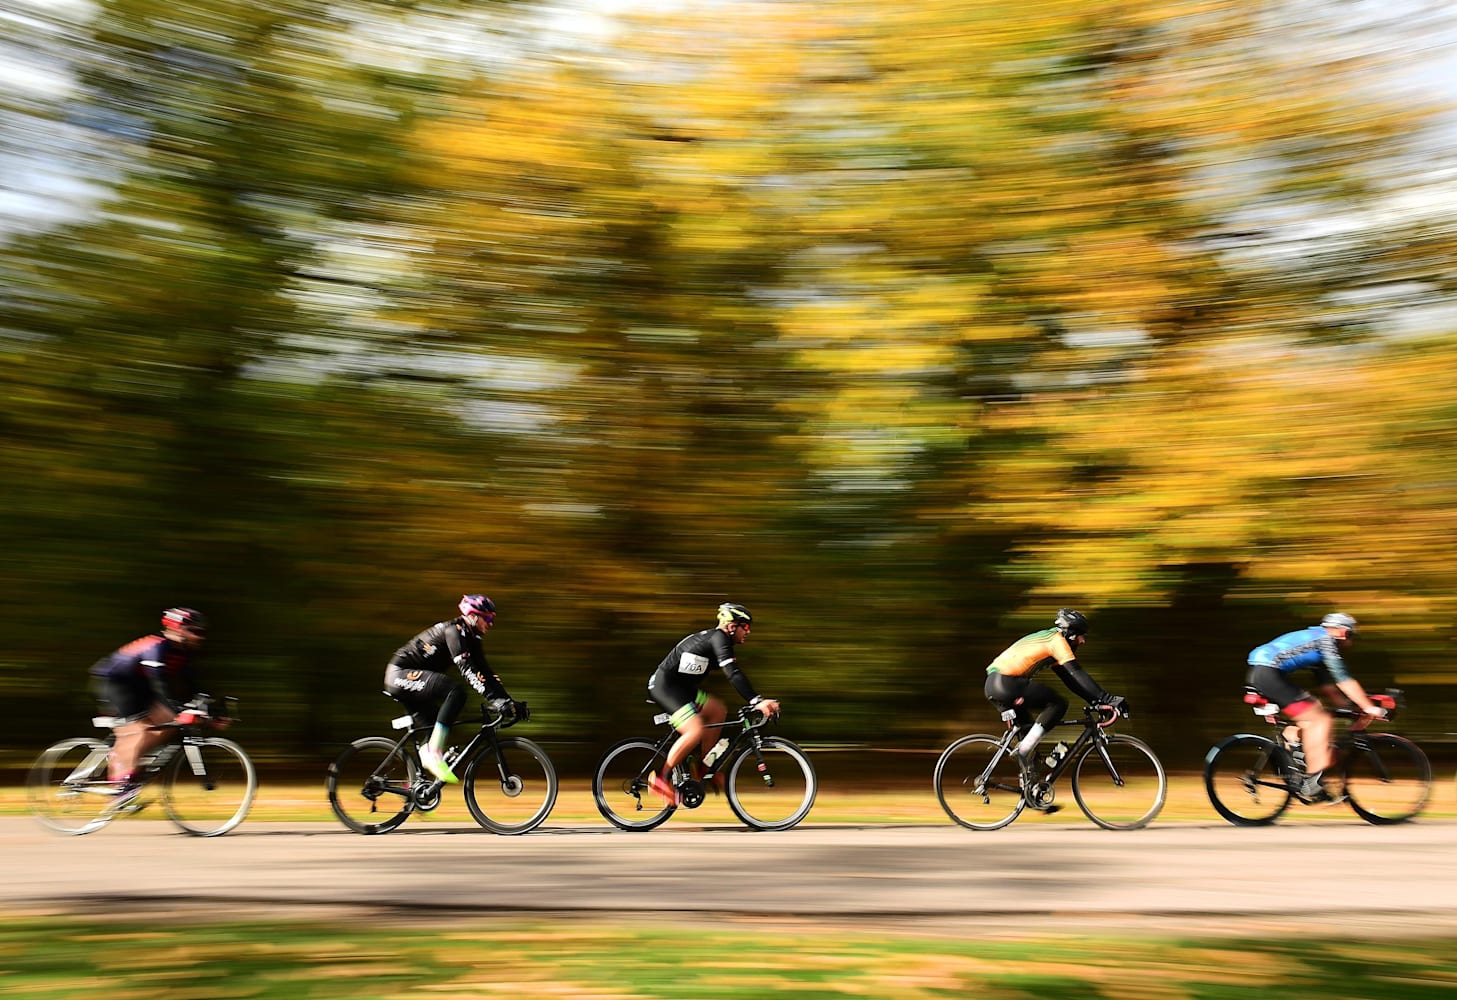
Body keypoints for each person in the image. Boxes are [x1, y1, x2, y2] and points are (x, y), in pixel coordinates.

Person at [984, 608, 1125, 806]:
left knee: (1030, 742)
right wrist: (1108, 698)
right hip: (1007, 683)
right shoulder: (1057, 640)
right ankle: (1023, 751)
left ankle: (1033, 797)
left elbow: (1071, 681)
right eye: (1081, 636)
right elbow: (1077, 674)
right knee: (1057, 704)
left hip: (996, 684)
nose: (1083, 641)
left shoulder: (1050, 640)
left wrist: (1097, 702)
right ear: (1072, 634)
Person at [645, 602, 780, 804]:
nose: (748, 632)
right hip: (666, 686)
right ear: (732, 626)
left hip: (683, 689)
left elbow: (733, 673)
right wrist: (756, 701)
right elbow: (732, 673)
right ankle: (662, 779)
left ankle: (703, 766)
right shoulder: (719, 638)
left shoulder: (719, 641)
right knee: (695, 730)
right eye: (746, 627)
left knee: (717, 709)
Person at [1246, 612, 1386, 803]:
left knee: (1315, 711)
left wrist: (1351, 708)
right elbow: (1343, 679)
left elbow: (1329, 689)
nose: (1351, 643)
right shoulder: (1327, 640)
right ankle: (1312, 783)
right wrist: (1369, 707)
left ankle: (1293, 743)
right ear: (1344, 633)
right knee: (1321, 719)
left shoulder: (1316, 641)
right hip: (1269, 673)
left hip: (1260, 673)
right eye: (1352, 637)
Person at [385, 594, 518, 784]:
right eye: (487, 618)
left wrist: (508, 701)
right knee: (455, 692)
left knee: (435, 726)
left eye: (492, 618)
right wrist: (494, 700)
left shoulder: (472, 639)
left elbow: (486, 673)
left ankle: (414, 789)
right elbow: (468, 670)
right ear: (472, 616)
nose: (490, 623)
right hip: (399, 674)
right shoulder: (453, 632)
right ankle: (433, 752)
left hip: (414, 681)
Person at [89, 607, 214, 808]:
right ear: (178, 629)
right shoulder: (156, 646)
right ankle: (120, 785)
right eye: (196, 631)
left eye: (202, 633)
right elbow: (159, 684)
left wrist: (213, 711)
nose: (200, 637)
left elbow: (196, 687)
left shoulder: (183, 653)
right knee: (136, 730)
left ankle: (130, 760)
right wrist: (180, 711)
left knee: (169, 723)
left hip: (140, 685)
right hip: (116, 683)